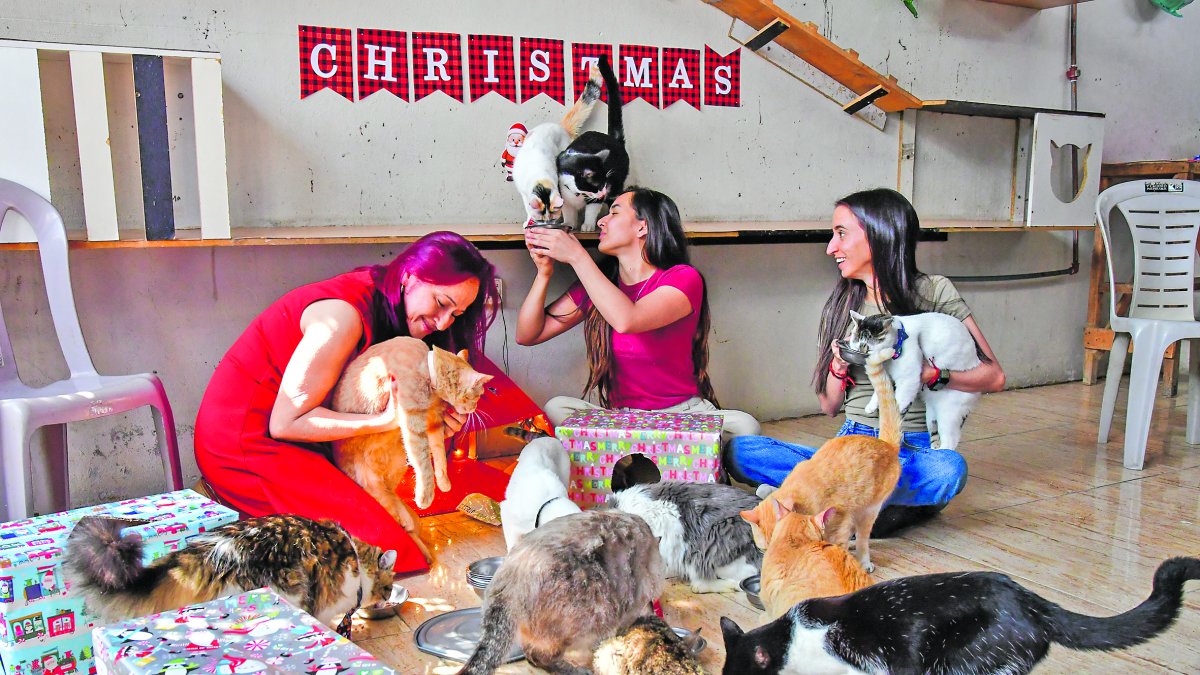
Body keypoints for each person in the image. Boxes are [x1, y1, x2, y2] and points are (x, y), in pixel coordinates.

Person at [194, 231, 499, 575]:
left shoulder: (391, 308)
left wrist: (433, 425)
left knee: (395, 541)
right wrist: (387, 422)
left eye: (456, 314)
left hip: (299, 437)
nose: (444, 323)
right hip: (243, 441)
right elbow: (285, 423)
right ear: (412, 277)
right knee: (387, 554)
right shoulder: (343, 318)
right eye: (442, 303)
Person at [725, 188, 1006, 534]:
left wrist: (932, 374)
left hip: (912, 449)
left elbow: (993, 376)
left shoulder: (935, 292)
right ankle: (872, 507)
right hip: (852, 444)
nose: (831, 248)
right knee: (741, 451)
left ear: (879, 236)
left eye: (841, 234)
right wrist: (838, 368)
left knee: (949, 470)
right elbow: (829, 405)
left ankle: (830, 501)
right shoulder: (844, 305)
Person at [516, 186, 760, 443]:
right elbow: (527, 335)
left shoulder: (683, 278)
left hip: (682, 416)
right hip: (625, 420)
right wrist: (544, 274)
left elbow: (628, 320)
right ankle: (639, 461)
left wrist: (578, 256)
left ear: (642, 227)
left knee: (746, 427)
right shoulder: (600, 286)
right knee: (557, 408)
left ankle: (638, 464)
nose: (601, 220)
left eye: (614, 212)